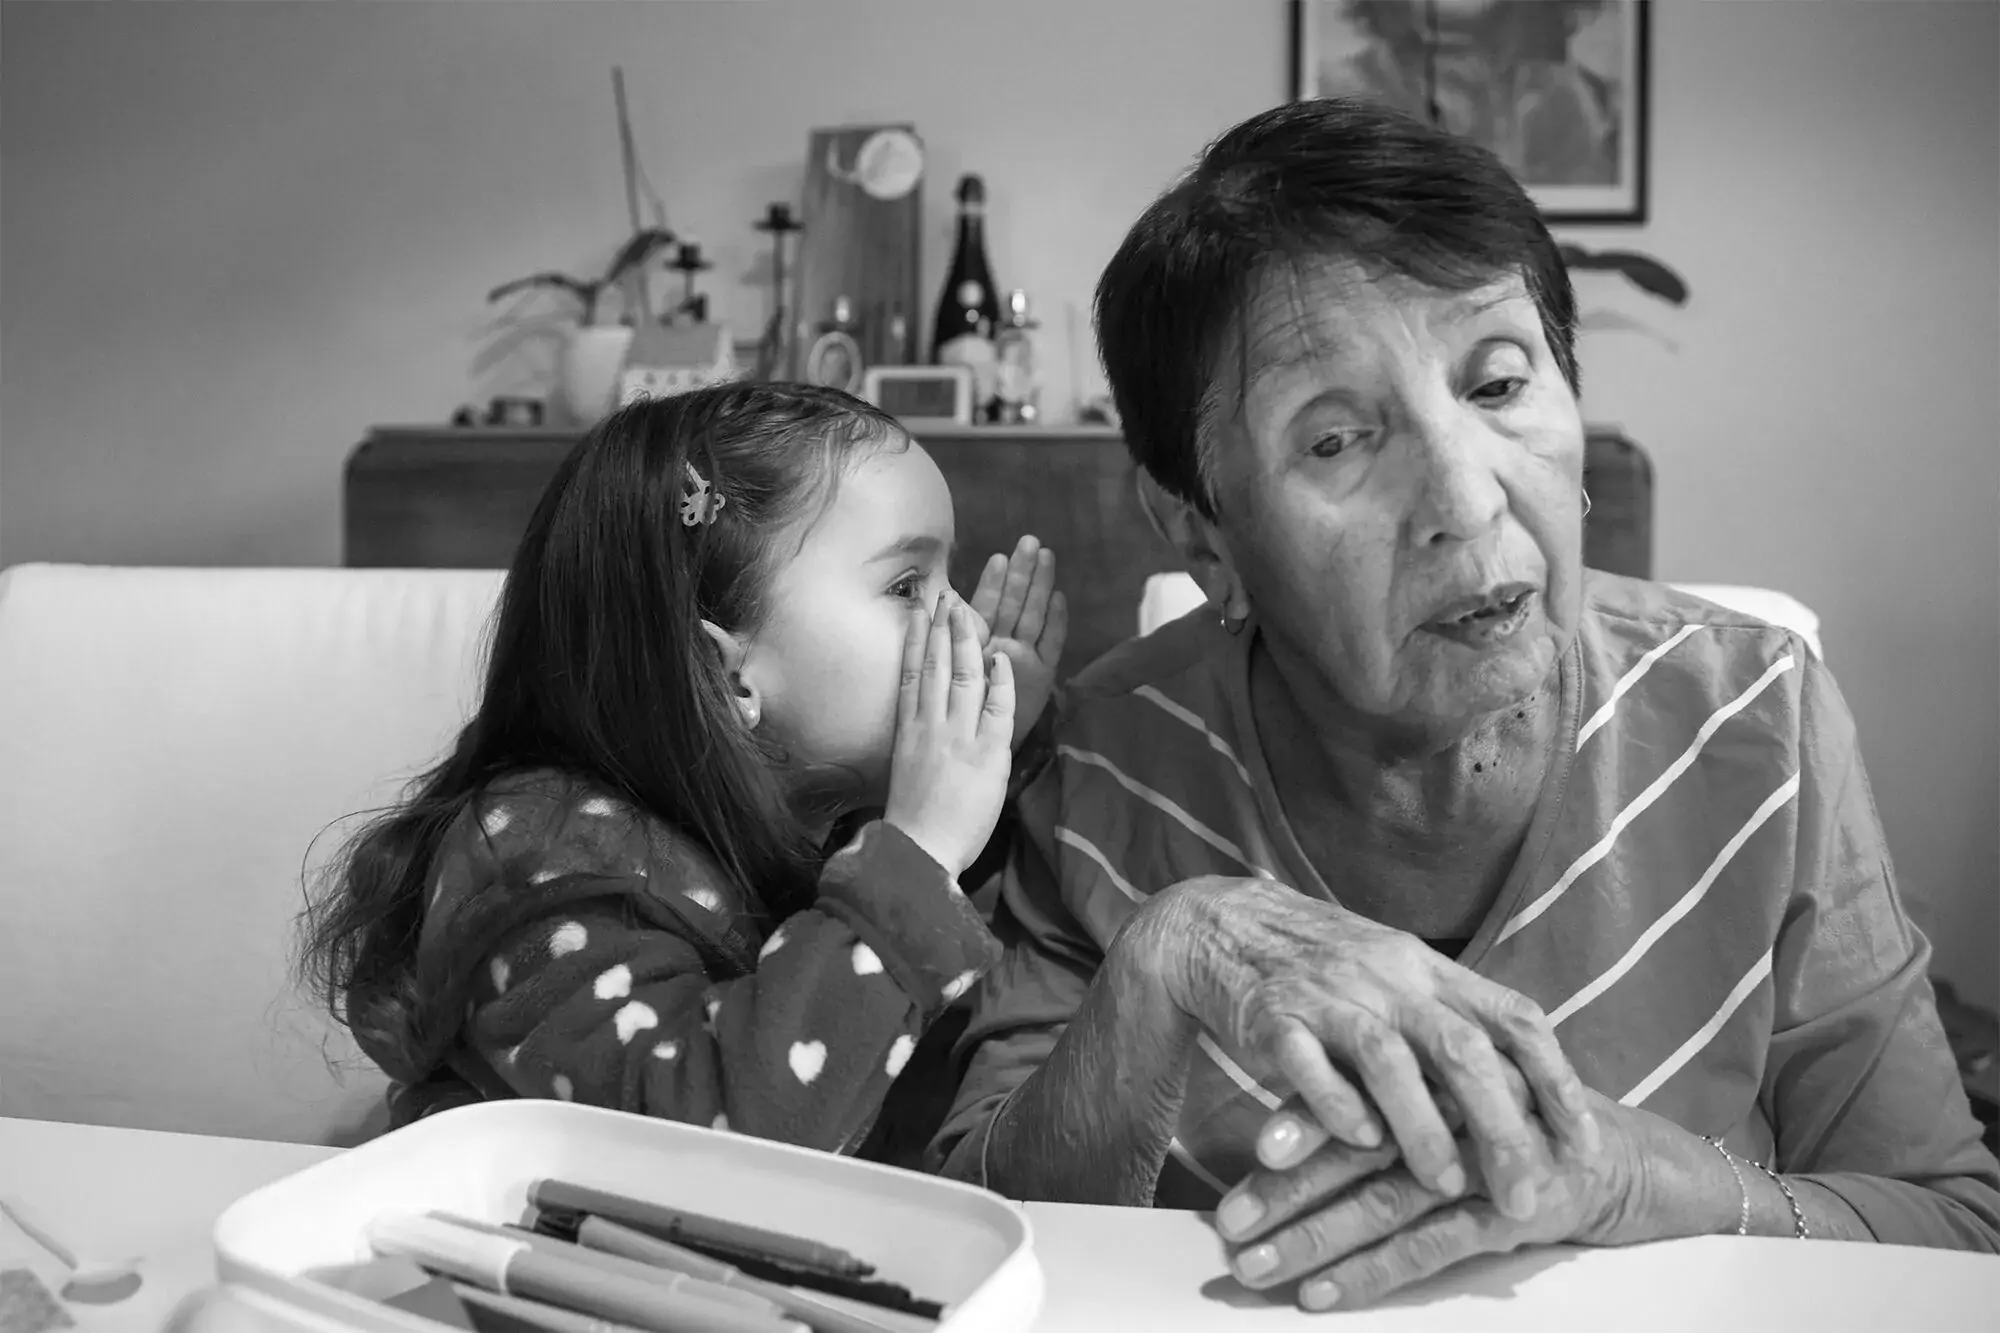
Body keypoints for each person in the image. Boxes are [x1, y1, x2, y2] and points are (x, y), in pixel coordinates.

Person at [930, 97, 2000, 1310]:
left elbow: (1952, 1234)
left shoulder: (1754, 721)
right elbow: (978, 1232)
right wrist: (1166, 955)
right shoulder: (1106, 759)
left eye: (1496, 384)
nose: (1462, 498)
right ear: (1198, 525)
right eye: (1335, 440)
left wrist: (1646, 1181)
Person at [297, 382, 1067, 1162]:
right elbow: (716, 1149)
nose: (964, 623)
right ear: (723, 672)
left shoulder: (828, 818)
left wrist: (999, 764)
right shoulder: (550, 859)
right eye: (907, 587)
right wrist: (921, 849)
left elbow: (939, 1024)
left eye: (950, 582)